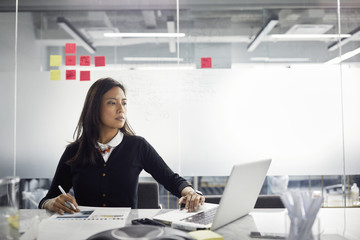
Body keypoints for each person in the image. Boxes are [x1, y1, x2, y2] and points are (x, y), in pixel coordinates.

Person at [38, 77, 205, 214]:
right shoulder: (74, 151)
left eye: (124, 103)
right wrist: (52, 203)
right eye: (112, 103)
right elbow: (47, 200)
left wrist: (191, 192)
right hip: (85, 232)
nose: (121, 109)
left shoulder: (137, 146)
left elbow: (170, 179)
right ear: (94, 108)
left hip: (126, 233)